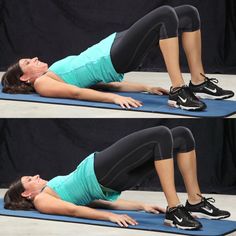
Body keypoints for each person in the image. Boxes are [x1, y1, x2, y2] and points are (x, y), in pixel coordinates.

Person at [1, 6, 234, 111]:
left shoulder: (51, 74)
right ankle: (178, 89)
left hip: (114, 44)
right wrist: (112, 100)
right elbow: (77, 93)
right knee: (165, 15)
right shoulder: (42, 83)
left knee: (188, 14)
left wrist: (145, 87)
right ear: (24, 77)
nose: (33, 58)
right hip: (114, 56)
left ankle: (198, 80)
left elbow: (99, 83)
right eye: (28, 63)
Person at [4, 126, 230, 230]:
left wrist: (140, 206)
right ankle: (175, 210)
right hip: (99, 171)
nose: (35, 176)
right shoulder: (41, 200)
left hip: (107, 177)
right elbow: (74, 211)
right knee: (161, 134)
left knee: (181, 135)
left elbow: (90, 201)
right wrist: (109, 217)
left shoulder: (51, 193)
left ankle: (195, 200)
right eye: (29, 180)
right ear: (26, 193)